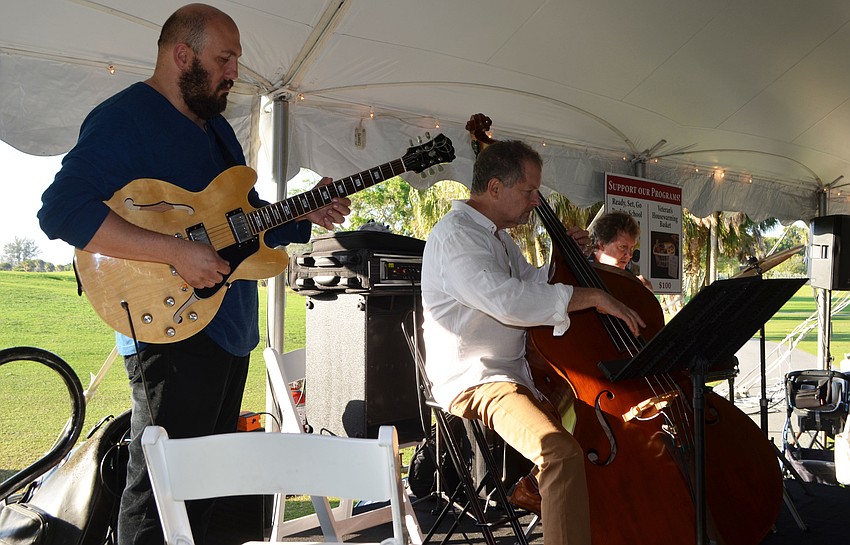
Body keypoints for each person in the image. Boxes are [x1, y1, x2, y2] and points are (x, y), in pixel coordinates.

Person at [37, 5, 350, 545]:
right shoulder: (126, 117)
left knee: (205, 494)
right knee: (161, 494)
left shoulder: (219, 131)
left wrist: (299, 214)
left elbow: (244, 228)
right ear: (182, 55)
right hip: (168, 330)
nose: (234, 72)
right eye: (224, 58)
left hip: (228, 329)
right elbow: (62, 210)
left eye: (236, 60)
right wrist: (175, 253)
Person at [420, 139, 645, 545]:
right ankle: (545, 490)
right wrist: (593, 296)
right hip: (478, 379)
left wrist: (561, 257)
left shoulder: (499, 237)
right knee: (560, 452)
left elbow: (531, 283)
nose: (535, 201)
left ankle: (540, 490)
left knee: (593, 435)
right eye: (528, 192)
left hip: (516, 372)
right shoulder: (457, 236)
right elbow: (506, 300)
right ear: (494, 188)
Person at [590, 210, 653, 290]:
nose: (630, 255)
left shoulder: (629, 278)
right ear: (602, 244)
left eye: (631, 248)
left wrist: (647, 295)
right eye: (623, 247)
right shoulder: (580, 268)